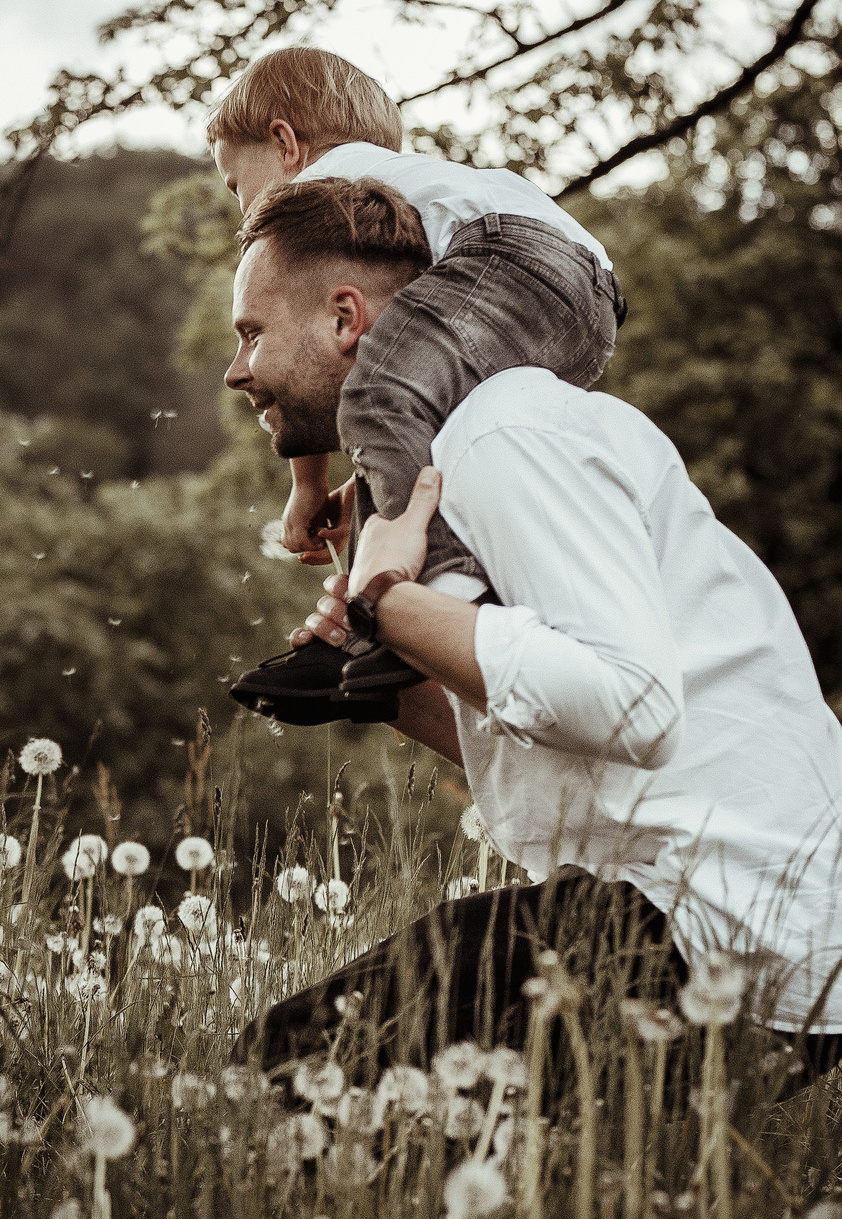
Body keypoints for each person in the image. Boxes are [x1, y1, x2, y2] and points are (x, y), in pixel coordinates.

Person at [220, 176, 842, 1079]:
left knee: (281, 1074)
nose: (237, 370)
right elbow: (575, 747)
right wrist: (394, 678)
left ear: (345, 316)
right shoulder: (465, 462)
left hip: (718, 929)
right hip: (726, 931)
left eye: (251, 333)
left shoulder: (503, 433)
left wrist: (382, 599)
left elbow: (633, 707)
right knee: (350, 1093)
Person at [207, 46, 627, 726]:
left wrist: (307, 485)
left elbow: (310, 335)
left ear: (285, 144)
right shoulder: (405, 185)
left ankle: (425, 602)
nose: (242, 211)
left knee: (376, 395)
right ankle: (357, 637)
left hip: (518, 257)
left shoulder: (326, 185)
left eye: (236, 184)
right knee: (400, 426)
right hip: (582, 301)